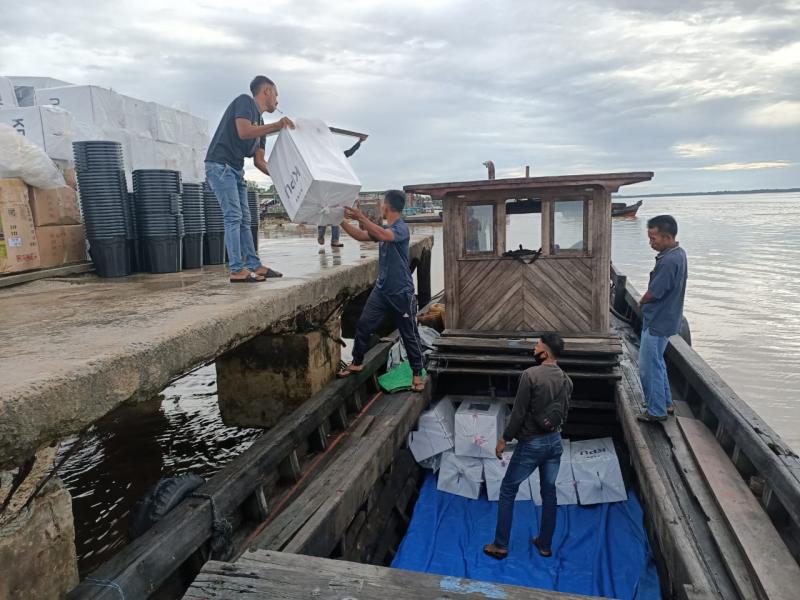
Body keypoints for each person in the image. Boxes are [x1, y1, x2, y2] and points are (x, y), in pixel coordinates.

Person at [483, 333, 573, 560]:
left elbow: (518, 413)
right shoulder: (566, 380)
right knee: (549, 493)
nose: (534, 348)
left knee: (507, 489)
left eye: (537, 345)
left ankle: (501, 544)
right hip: (555, 443)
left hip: (532, 444)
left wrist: (504, 439)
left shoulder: (530, 375)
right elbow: (563, 413)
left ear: (546, 351)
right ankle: (545, 544)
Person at [205, 75, 294, 283]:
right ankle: (237, 269)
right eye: (276, 94)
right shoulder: (245, 102)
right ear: (266, 91)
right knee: (233, 216)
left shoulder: (262, 124)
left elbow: (260, 162)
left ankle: (254, 265)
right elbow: (244, 132)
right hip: (220, 166)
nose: (277, 101)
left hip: (235, 170)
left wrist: (283, 178)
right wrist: (277, 125)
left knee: (246, 218)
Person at [336, 190, 425, 392]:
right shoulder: (384, 229)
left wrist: (361, 217)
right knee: (363, 326)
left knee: (409, 334)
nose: (381, 208)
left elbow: (385, 235)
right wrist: (338, 221)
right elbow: (360, 235)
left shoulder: (401, 228)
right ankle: (356, 361)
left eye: (381, 204)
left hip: (401, 292)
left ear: (386, 206)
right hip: (382, 290)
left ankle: (418, 374)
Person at [637, 215, 688, 422]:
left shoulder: (668, 261)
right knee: (657, 363)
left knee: (648, 366)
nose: (651, 243)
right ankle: (665, 404)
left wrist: (641, 301)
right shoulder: (679, 253)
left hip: (658, 321)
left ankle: (656, 411)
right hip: (668, 319)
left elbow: (654, 293)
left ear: (667, 237)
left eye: (653, 238)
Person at [318, 135, 368, 248]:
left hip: (338, 189)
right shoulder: (321, 160)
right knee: (324, 212)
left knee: (337, 213)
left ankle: (335, 240)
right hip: (325, 189)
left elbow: (350, 152)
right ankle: (321, 234)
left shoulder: (339, 157)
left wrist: (359, 142)